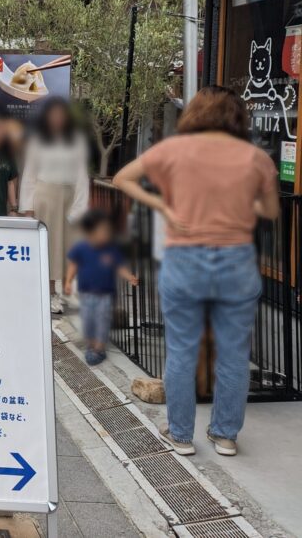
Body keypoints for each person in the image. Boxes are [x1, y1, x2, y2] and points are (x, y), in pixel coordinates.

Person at [113, 87, 279, 457]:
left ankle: (181, 435)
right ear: (237, 117)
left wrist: (165, 206)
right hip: (236, 263)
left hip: (185, 261)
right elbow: (269, 211)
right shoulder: (256, 159)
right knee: (234, 354)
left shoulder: (173, 150)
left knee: (181, 350)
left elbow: (122, 178)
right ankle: (225, 436)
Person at [19, 98, 90, 314]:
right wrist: (28, 208)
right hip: (45, 198)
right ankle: (50, 293)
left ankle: (65, 291)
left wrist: (80, 206)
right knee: (49, 248)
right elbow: (29, 174)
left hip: (68, 198)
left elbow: (82, 175)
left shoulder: (76, 140)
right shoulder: (38, 141)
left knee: (69, 247)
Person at [64, 210, 138, 366]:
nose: (106, 234)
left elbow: (119, 266)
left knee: (102, 320)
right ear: (90, 232)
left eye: (108, 231)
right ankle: (92, 344)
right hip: (86, 293)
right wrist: (68, 281)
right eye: (102, 231)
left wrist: (129, 276)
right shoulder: (81, 248)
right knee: (88, 320)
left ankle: (99, 348)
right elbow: (73, 264)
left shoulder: (111, 249)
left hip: (105, 294)